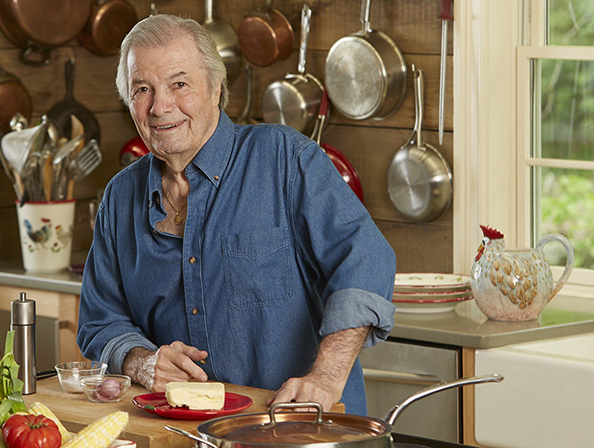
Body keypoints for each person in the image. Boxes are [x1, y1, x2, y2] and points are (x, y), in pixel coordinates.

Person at [75, 14, 396, 416]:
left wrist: (327, 376)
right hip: (179, 434)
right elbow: (99, 321)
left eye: (179, 84)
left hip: (296, 427)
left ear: (215, 87)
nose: (160, 106)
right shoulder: (120, 197)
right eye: (143, 89)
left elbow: (365, 260)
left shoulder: (284, 158)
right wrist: (142, 361)